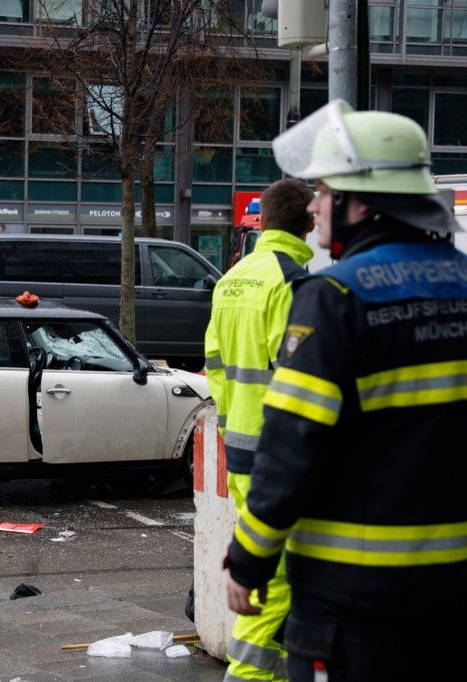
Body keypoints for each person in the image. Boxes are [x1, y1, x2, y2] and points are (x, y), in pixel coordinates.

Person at [225, 100, 467, 681]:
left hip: (352, 597)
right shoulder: (462, 286)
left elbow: (291, 446)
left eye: (326, 191)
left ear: (364, 205)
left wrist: (249, 561)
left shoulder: (334, 296)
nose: (314, 206)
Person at [205, 178, 314, 682]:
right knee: (281, 579)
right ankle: (246, 676)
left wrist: (233, 424)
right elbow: (298, 383)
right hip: (277, 457)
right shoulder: (292, 282)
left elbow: (214, 364)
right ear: (308, 224)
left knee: (261, 568)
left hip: (241, 447)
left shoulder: (232, 278)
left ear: (262, 221)